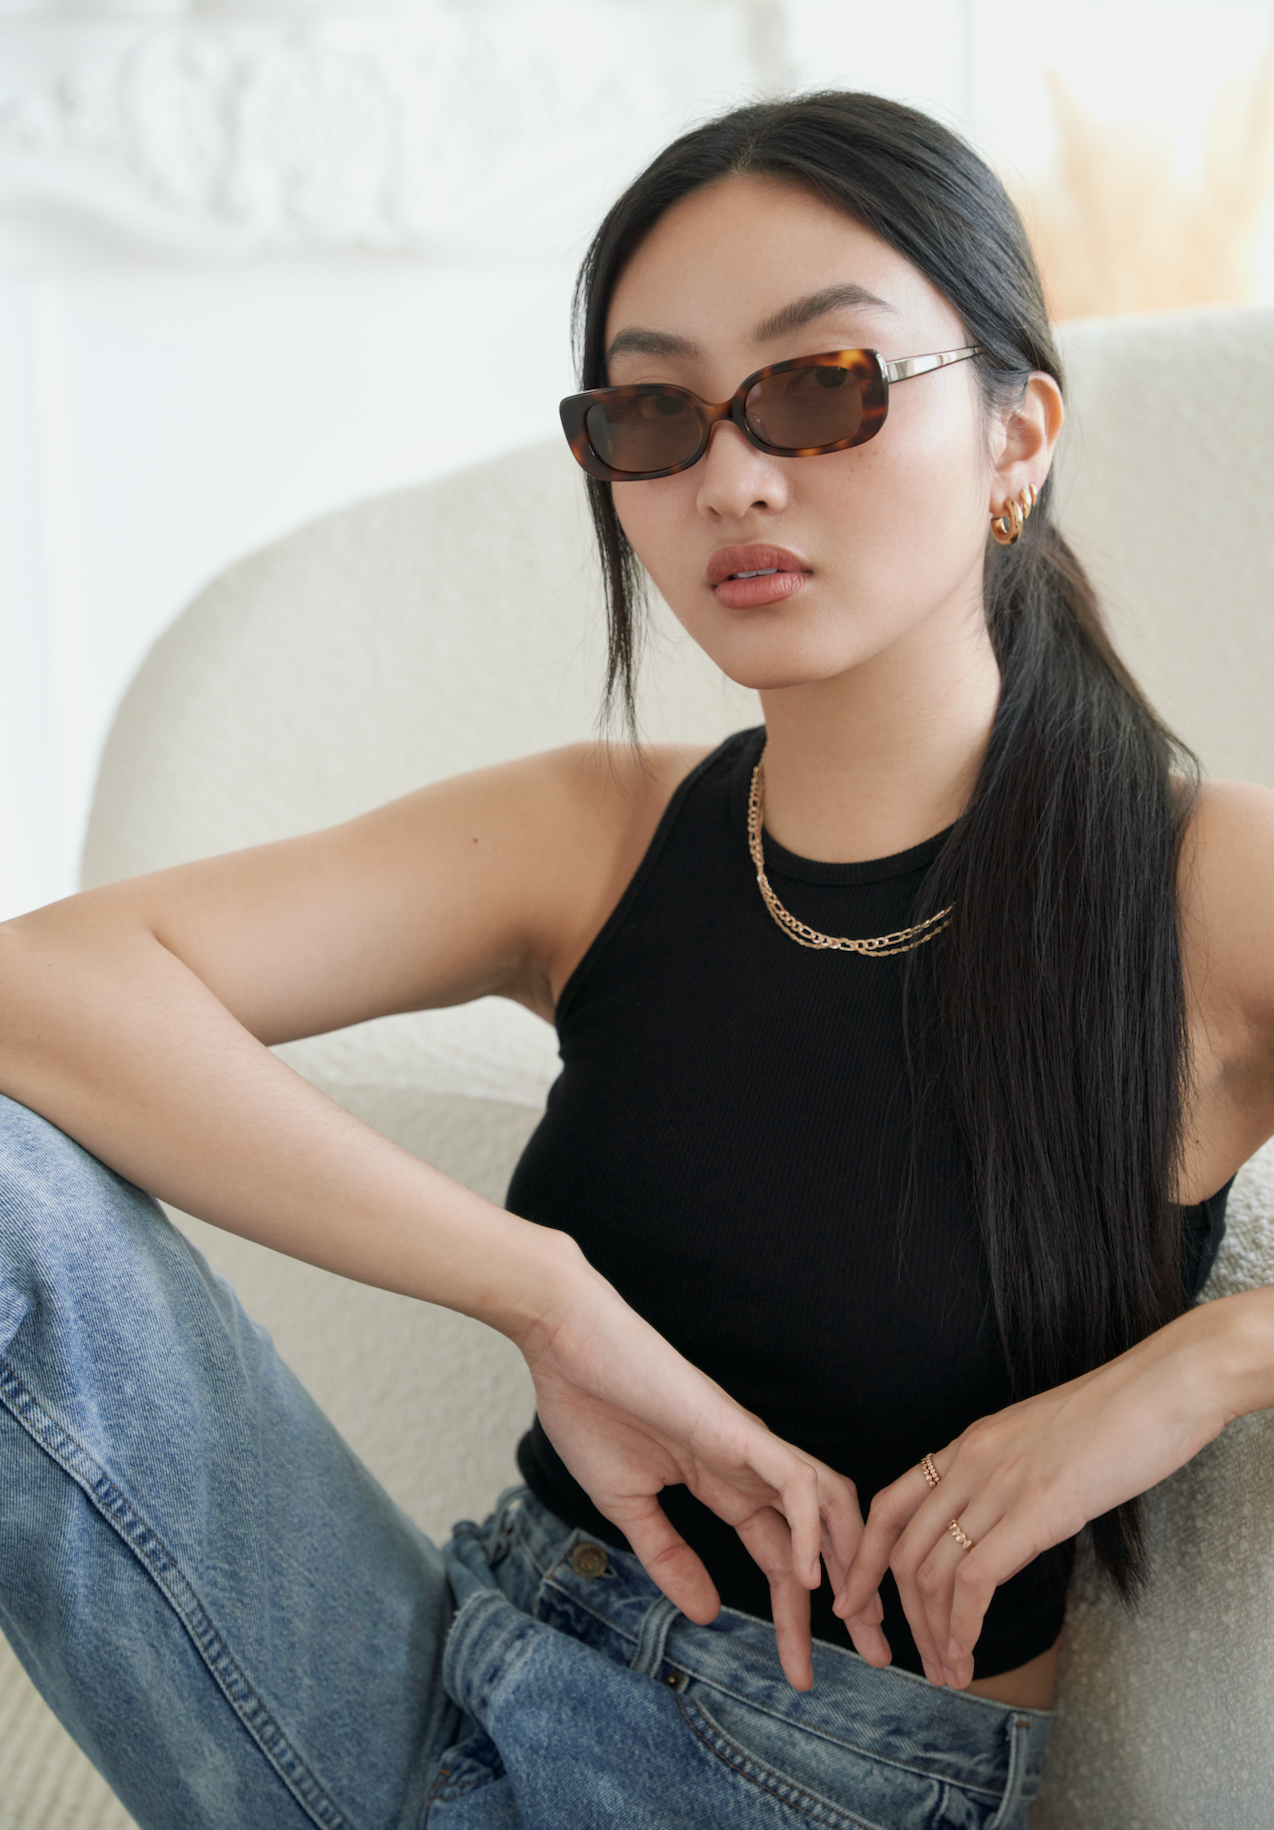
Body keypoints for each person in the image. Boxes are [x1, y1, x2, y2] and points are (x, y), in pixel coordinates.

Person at [2, 90, 1273, 1830]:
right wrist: (545, 1297)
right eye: (654, 411)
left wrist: (1203, 1363)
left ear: (1015, 433)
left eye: (819, 387)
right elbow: (38, 989)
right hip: (439, 1659)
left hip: (785, 1778)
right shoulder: (593, 833)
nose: (731, 472)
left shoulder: (1201, 878)